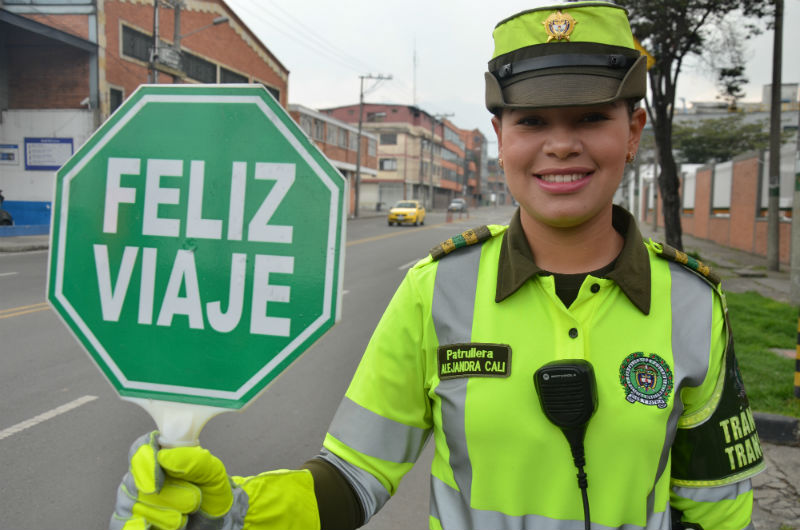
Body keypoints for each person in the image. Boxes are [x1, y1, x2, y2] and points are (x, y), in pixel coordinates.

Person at [110, 2, 765, 529]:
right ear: (501, 136)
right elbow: (354, 477)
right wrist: (233, 513)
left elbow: (719, 510)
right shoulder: (436, 290)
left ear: (633, 129)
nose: (561, 143)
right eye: (533, 120)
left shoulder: (693, 306)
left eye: (591, 117)